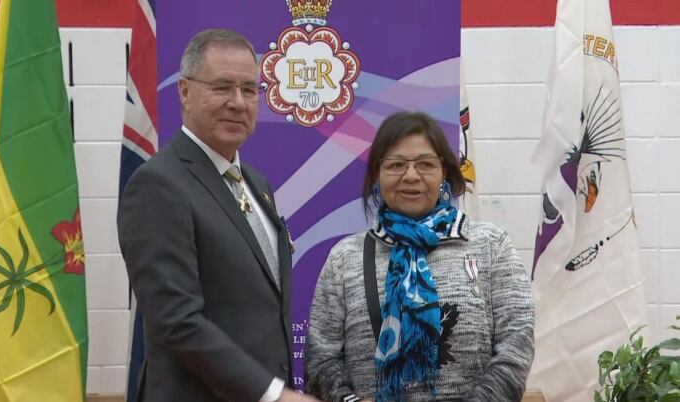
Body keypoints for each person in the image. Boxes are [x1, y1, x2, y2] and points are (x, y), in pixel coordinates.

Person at [118, 29, 319, 402]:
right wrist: (273, 395)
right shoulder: (158, 185)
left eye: (248, 89)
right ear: (184, 91)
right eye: (222, 87)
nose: (238, 103)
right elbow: (175, 321)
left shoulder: (257, 184)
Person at [304, 112, 534, 402]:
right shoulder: (344, 258)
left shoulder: (490, 245)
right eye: (396, 164)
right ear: (377, 173)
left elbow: (517, 342)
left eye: (425, 164)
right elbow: (321, 358)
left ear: (444, 173)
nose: (410, 176)